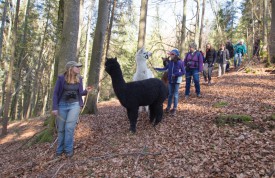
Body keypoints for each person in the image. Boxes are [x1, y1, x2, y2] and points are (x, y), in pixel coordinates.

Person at [52, 61, 93, 158]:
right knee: (61, 129)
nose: (79, 68)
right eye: (77, 67)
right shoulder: (61, 79)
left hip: (74, 105)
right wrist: (55, 108)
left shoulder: (79, 79)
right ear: (70, 68)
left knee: (69, 128)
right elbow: (55, 94)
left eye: (79, 67)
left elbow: (80, 93)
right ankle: (59, 150)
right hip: (62, 105)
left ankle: (68, 150)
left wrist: (86, 91)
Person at [154, 49, 185, 116]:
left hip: (177, 80)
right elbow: (164, 69)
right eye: (170, 54)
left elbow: (183, 72)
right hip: (170, 80)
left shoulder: (180, 62)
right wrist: (156, 68)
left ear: (175, 55)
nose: (170, 56)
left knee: (176, 95)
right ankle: (168, 107)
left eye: (171, 54)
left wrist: (175, 74)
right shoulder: (170, 62)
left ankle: (174, 109)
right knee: (170, 94)